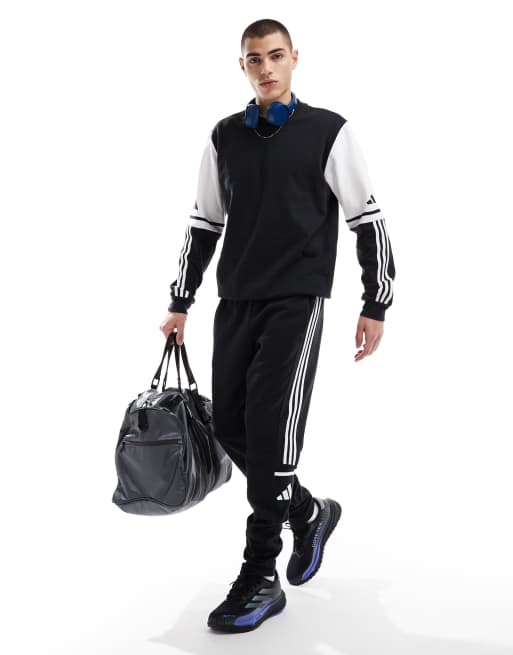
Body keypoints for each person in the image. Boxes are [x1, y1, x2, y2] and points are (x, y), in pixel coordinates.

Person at [160, 18, 396, 633]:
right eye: (253, 59)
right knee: (229, 424)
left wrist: (375, 302)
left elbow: (367, 219)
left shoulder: (329, 131)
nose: (265, 68)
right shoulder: (224, 137)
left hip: (297, 300)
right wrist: (181, 300)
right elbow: (203, 223)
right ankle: (308, 510)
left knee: (272, 432)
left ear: (294, 58)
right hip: (235, 298)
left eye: (275, 56)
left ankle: (261, 572)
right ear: (241, 66)